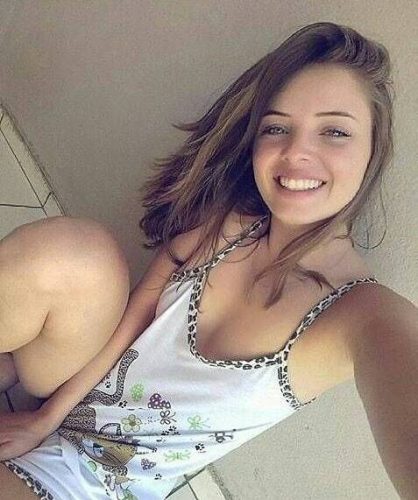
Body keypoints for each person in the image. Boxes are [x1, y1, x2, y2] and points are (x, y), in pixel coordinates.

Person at [0, 21, 417, 500]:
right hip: (62, 392)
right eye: (276, 127)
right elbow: (139, 314)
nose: (297, 152)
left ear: (373, 148)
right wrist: (44, 419)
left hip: (94, 483)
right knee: (77, 251)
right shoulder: (231, 226)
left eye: (335, 132)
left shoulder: (363, 315)